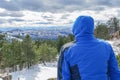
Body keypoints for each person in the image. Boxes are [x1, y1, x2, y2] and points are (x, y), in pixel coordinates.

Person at [57, 16, 120, 80]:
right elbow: (115, 73)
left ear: (75, 28)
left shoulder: (67, 50)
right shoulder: (106, 46)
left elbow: (63, 77)